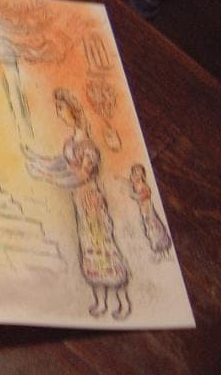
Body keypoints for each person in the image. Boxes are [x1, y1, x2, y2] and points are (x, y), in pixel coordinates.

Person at [24, 89, 131, 319]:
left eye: (61, 108)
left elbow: (81, 176)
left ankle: (123, 302)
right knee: (89, 250)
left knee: (104, 248)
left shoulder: (88, 147)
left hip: (92, 203)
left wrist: (49, 177)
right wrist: (37, 162)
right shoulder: (71, 142)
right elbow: (59, 163)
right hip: (81, 204)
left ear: (73, 111)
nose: (59, 112)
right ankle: (100, 302)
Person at [129, 163, 173, 261]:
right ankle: (159, 252)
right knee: (150, 232)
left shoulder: (143, 186)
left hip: (149, 211)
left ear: (143, 175)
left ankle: (164, 252)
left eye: (138, 173)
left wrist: (135, 196)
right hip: (144, 213)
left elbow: (144, 195)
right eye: (134, 173)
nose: (135, 176)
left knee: (155, 230)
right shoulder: (135, 185)